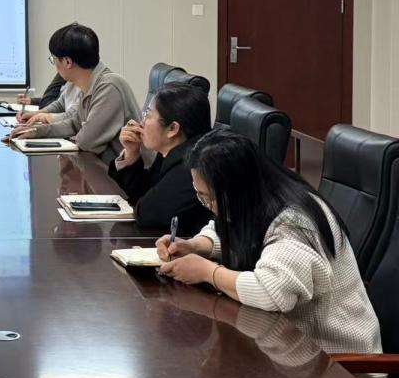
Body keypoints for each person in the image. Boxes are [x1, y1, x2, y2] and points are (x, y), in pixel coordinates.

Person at [157, 129, 381, 356]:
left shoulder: (294, 222)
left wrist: (208, 272)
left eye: (209, 198)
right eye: (200, 195)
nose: (208, 205)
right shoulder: (258, 200)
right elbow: (230, 229)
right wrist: (196, 245)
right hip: (295, 352)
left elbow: (272, 292)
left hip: (341, 362)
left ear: (237, 189)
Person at [8, 24, 138, 164]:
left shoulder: (109, 86)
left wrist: (76, 133)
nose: (54, 65)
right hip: (103, 166)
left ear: (68, 62)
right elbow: (74, 124)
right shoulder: (89, 84)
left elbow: (86, 141)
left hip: (124, 174)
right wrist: (36, 131)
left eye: (54, 59)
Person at [109, 83, 212, 234]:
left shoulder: (192, 165)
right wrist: (132, 153)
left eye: (148, 115)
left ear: (172, 129)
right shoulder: (172, 151)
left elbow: (147, 213)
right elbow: (143, 193)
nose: (141, 123)